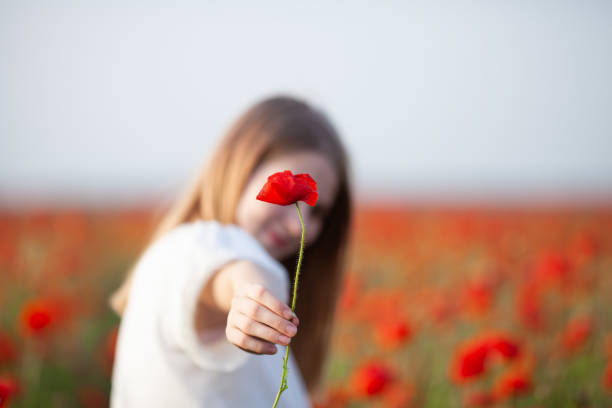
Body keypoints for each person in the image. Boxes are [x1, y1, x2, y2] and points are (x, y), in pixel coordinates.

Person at [108, 95, 353, 407]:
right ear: (240, 167)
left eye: (318, 213)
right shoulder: (188, 246)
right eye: (286, 198)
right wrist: (248, 292)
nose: (298, 225)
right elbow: (220, 270)